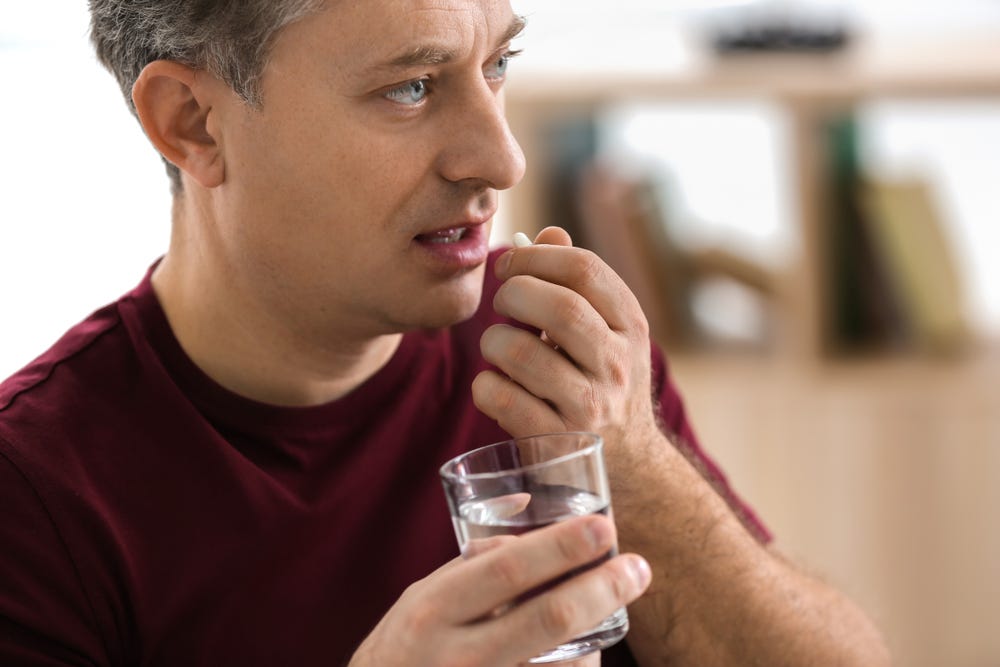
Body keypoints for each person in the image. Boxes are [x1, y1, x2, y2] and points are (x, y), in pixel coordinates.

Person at [0, 1, 892, 665]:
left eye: (498, 63)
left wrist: (638, 466)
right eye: (411, 87)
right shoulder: (37, 495)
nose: (503, 159)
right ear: (192, 124)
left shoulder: (556, 355)